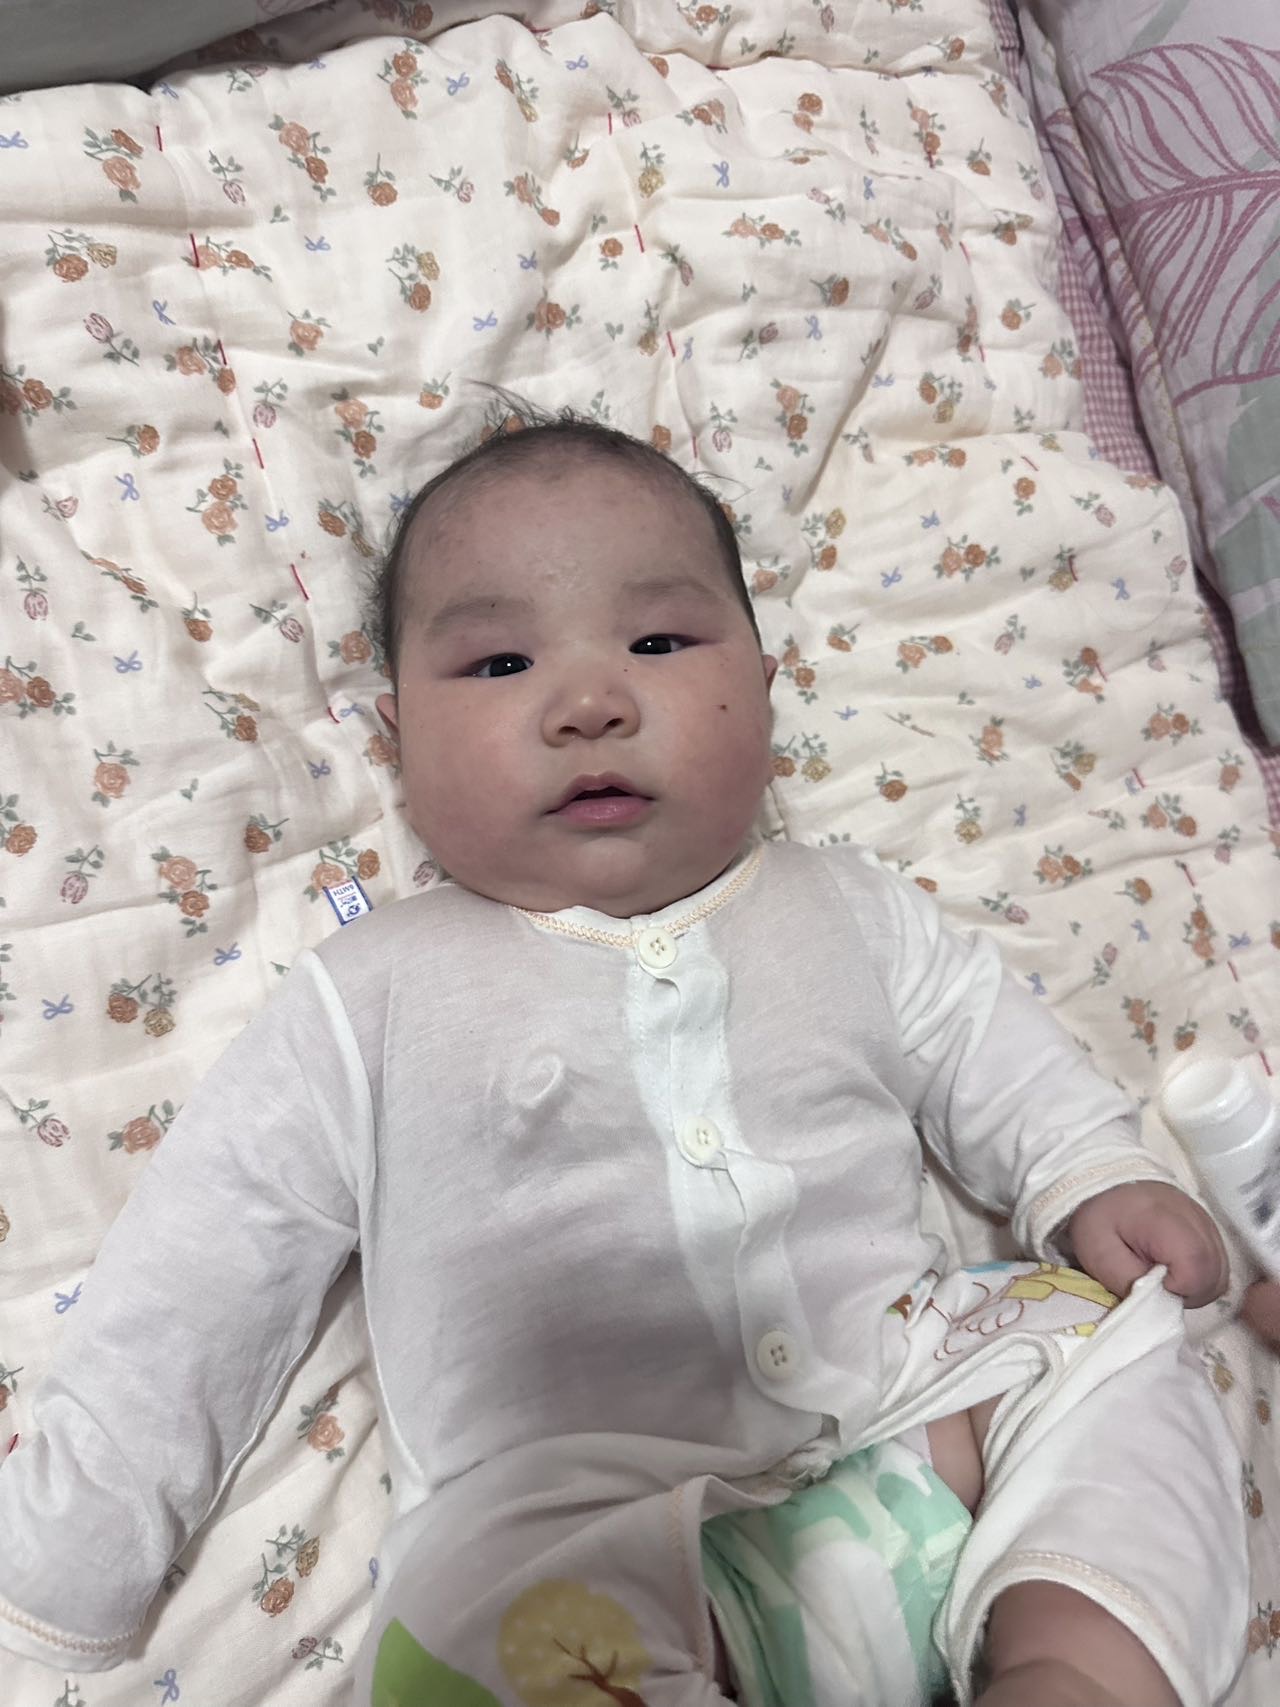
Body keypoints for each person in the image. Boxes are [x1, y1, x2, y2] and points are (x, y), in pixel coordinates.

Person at [0, 412, 1248, 1707]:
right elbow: (209, 1256)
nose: (590, 703)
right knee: (459, 1625)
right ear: (399, 737)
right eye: (498, 662)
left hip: (922, 1427)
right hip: (579, 1529)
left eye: (658, 643)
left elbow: (992, 1047)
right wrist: (75, 1540)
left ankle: (1076, 1670)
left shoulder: (851, 908)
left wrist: (1091, 1172)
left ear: (765, 681)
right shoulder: (369, 994)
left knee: (1107, 1342)